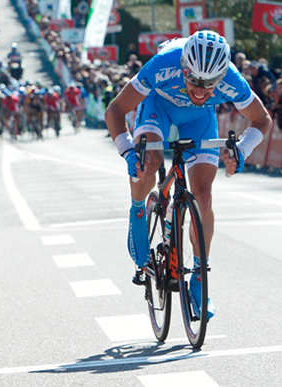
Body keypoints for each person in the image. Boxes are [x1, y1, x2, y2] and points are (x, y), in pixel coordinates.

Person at [105, 31, 272, 320]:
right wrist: (128, 151)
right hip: (158, 108)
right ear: (183, 69)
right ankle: (137, 211)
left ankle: (199, 277)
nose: (200, 89)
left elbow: (262, 119)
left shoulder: (233, 79)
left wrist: (241, 150)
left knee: (204, 196)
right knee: (150, 160)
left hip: (199, 120)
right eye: (194, 80)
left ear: (222, 76)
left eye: (209, 84)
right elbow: (116, 110)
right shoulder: (162, 64)